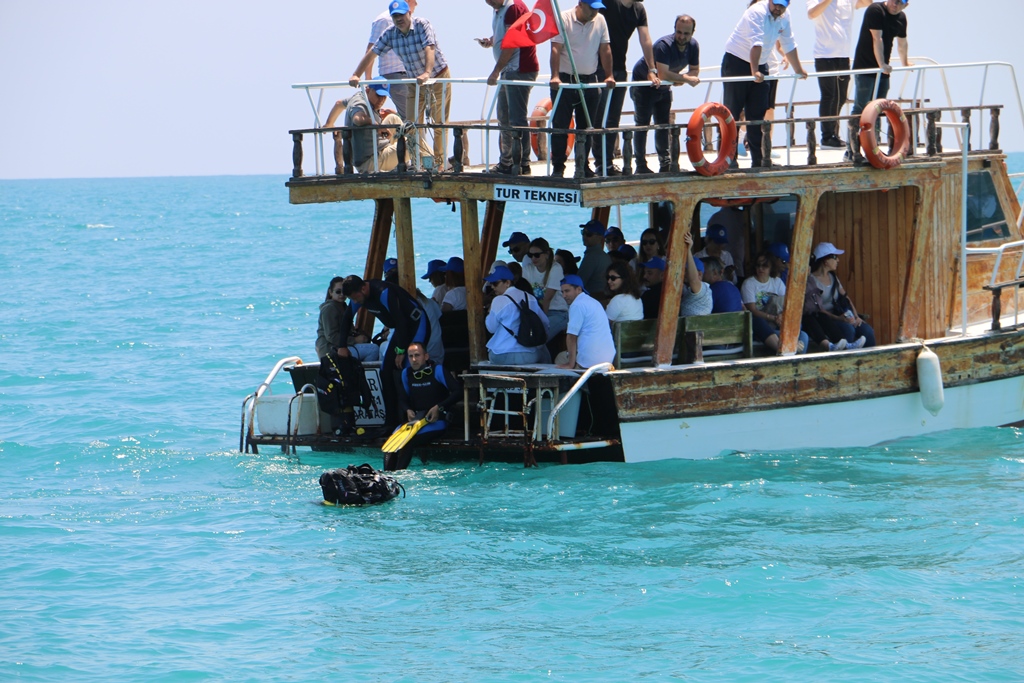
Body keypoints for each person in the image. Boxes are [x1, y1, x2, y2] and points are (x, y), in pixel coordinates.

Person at [350, 0, 453, 171]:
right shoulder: (390, 33)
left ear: (409, 13)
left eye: (402, 15)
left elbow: (430, 48)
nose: (399, 19)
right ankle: (418, 163)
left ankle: (439, 164)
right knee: (411, 124)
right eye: (395, 16)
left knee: (439, 123)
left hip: (437, 76)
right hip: (414, 82)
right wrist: (356, 74)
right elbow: (372, 53)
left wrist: (427, 72)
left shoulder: (422, 25)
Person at [721, 0, 807, 169]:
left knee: (758, 114)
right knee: (733, 113)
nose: (778, 8)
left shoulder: (784, 15)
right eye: (776, 4)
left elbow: (789, 43)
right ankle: (729, 159)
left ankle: (759, 160)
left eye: (782, 5)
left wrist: (799, 69)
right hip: (737, 61)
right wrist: (754, 72)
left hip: (760, 64)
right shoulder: (756, 11)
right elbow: (756, 43)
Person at [342, 274, 431, 430]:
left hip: (416, 324)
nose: (355, 302)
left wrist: (401, 351)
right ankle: (391, 420)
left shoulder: (384, 292)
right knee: (385, 371)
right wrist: (341, 345)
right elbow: (347, 318)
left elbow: (402, 321)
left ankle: (420, 414)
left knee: (411, 367)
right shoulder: (358, 296)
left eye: (355, 298)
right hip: (401, 329)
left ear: (363, 288)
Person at [592, 0, 659, 176]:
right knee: (598, 119)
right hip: (598, 68)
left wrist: (652, 70)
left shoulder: (639, 9)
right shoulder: (608, 3)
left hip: (620, 69)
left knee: (613, 119)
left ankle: (608, 162)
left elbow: (645, 39)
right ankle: (599, 163)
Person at [549, 0, 614, 178]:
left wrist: (609, 75)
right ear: (580, 4)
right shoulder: (564, 18)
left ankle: (583, 166)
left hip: (589, 81)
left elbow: (605, 49)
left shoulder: (600, 20)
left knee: (586, 128)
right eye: (592, 7)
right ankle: (558, 168)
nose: (595, 11)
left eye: (597, 8)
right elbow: (555, 48)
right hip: (565, 80)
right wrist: (554, 76)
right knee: (560, 127)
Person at [630, 14, 700, 174]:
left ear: (692, 33)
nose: (681, 37)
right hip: (644, 84)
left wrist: (682, 79)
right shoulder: (664, 45)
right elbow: (663, 74)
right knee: (642, 125)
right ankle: (640, 165)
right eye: (679, 32)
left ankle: (665, 163)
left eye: (686, 33)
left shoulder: (694, 46)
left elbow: (695, 70)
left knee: (663, 125)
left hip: (663, 87)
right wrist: (684, 78)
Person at [848, 0, 910, 162]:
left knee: (879, 109)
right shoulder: (875, 10)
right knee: (861, 109)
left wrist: (905, 63)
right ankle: (852, 151)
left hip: (882, 72)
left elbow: (902, 43)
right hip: (865, 68)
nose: (894, 4)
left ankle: (873, 148)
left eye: (899, 2)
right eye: (892, 0)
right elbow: (877, 39)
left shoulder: (901, 18)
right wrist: (882, 64)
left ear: (905, 5)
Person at [481, 0, 540, 175]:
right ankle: (507, 162)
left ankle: (522, 163)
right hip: (509, 70)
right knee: (504, 117)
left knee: (516, 119)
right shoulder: (498, 8)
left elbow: (512, 42)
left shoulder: (514, 8)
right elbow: (503, 35)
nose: (488, 2)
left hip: (520, 68)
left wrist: (495, 71)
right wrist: (491, 41)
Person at [387, 342, 462, 470]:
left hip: (437, 421)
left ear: (426, 356)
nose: (414, 359)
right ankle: (386, 477)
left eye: (417, 355)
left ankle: (398, 478)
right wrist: (408, 410)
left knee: (407, 441)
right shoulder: (406, 374)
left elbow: (458, 392)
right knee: (391, 443)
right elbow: (402, 399)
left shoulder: (437, 370)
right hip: (417, 420)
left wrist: (439, 407)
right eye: (410, 356)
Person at [808, 0, 872, 148]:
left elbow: (868, 2)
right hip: (824, 55)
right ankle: (827, 137)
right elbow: (811, 14)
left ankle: (833, 134)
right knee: (829, 95)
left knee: (841, 96)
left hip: (843, 56)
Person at [802, 242, 876, 351]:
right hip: (827, 318)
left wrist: (856, 317)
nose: (838, 260)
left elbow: (846, 297)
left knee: (867, 330)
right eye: (835, 257)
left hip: (841, 314)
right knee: (848, 330)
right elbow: (818, 309)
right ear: (825, 260)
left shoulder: (833, 277)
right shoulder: (811, 280)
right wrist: (839, 319)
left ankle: (872, 360)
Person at [741, 251, 808, 353]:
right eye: (758, 265)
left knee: (804, 335)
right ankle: (786, 351)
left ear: (771, 267)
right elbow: (752, 310)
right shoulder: (749, 284)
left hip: (778, 323)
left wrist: (781, 317)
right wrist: (773, 318)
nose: (760, 268)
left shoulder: (776, 281)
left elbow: (786, 304)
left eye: (765, 265)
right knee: (757, 321)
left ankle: (795, 358)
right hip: (762, 326)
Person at [484, 265, 551, 364]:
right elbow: (545, 323)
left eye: (495, 283)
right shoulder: (530, 297)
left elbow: (491, 328)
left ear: (507, 283)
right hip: (530, 354)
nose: (492, 287)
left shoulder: (499, 300)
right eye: (491, 284)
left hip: (502, 353)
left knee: (492, 355)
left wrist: (489, 311)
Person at [315, 277, 380, 362]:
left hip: (337, 347)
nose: (342, 294)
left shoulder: (343, 307)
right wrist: (355, 340)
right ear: (330, 292)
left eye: (344, 291)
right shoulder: (329, 308)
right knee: (373, 349)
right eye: (338, 291)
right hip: (330, 350)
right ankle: (363, 374)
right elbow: (331, 336)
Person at [557, 275, 616, 368]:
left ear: (579, 289)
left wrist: (570, 364)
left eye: (567, 291)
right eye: (562, 292)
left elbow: (571, 336)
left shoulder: (577, 305)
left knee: (560, 358)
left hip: (590, 361)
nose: (564, 295)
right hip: (608, 359)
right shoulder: (593, 302)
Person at [522, 237, 569, 338]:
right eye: (530, 255)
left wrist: (539, 323)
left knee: (539, 337)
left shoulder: (555, 268)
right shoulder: (527, 269)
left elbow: (547, 299)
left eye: (537, 255)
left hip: (558, 313)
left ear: (547, 254)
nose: (533, 258)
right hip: (536, 312)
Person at [679, 231, 712, 317]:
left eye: (687, 270)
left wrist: (688, 250)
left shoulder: (703, 289)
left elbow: (693, 280)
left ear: (700, 274)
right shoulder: (687, 289)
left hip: (697, 329)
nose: (684, 273)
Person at [578, 219, 613, 294]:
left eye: (589, 234)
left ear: (599, 237)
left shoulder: (592, 257)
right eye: (583, 232)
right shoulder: (603, 255)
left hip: (594, 297)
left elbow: (579, 282)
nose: (584, 236)